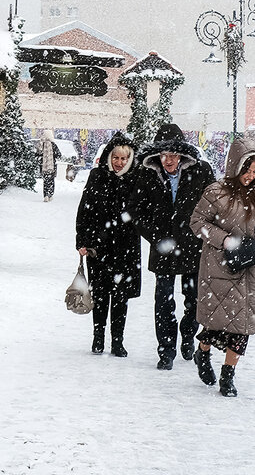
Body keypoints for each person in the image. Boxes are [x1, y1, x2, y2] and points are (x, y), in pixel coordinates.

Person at [189, 137, 255, 397]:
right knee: (216, 324)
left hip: (251, 269)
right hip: (221, 269)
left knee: (242, 327)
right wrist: (225, 240)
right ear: (235, 166)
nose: (250, 176)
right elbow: (197, 222)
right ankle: (202, 353)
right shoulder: (216, 192)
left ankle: (228, 375)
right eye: (246, 170)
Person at [130, 122, 216, 369]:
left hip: (193, 248)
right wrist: (156, 236)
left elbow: (213, 204)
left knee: (194, 301)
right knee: (164, 302)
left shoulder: (201, 171)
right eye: (164, 155)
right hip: (163, 249)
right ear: (157, 155)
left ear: (182, 155)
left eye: (174, 154)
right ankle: (166, 349)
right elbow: (135, 211)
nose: (169, 160)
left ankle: (188, 335)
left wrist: (203, 231)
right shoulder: (146, 174)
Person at [75, 133, 141, 357]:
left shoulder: (136, 179)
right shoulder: (97, 176)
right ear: (109, 157)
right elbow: (84, 210)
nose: (119, 163)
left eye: (124, 158)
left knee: (121, 298)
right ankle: (98, 337)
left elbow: (141, 212)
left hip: (126, 248)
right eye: (116, 158)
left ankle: (118, 341)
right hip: (99, 246)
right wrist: (82, 241)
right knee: (100, 295)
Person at [39, 129, 59, 202]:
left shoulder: (41, 144)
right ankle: (50, 194)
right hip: (52, 166)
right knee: (51, 181)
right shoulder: (53, 145)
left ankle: (45, 195)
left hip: (43, 167)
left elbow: (37, 155)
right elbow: (59, 155)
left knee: (45, 181)